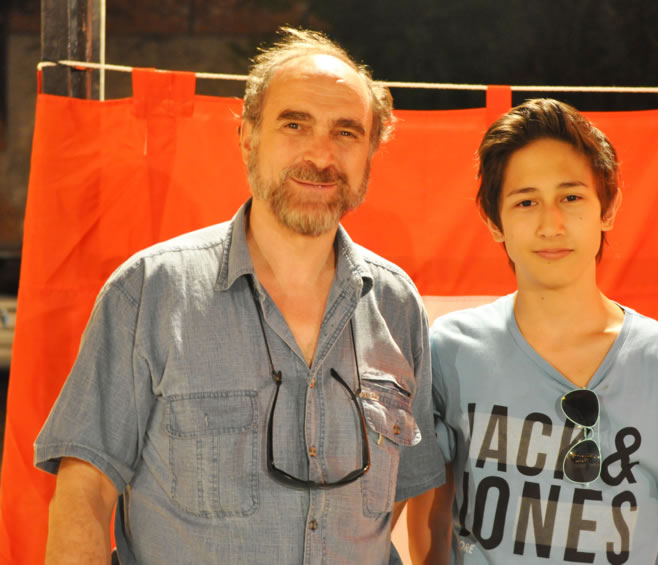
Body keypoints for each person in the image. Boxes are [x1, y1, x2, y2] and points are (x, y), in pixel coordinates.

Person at [34, 27, 445, 565]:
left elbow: (400, 498)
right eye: (295, 125)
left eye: (346, 132)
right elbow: (83, 493)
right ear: (248, 137)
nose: (321, 155)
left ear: (370, 153)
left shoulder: (397, 304)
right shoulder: (149, 292)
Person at [406, 98, 658, 564]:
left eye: (571, 197)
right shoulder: (450, 349)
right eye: (526, 202)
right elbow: (430, 529)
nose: (551, 225)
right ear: (494, 221)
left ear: (608, 208)